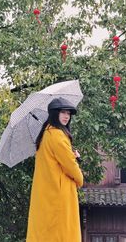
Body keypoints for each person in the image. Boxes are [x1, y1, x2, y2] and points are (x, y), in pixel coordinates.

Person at [26, 97, 84, 242]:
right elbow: (71, 169)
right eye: (63, 112)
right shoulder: (57, 135)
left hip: (48, 192)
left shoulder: (46, 133)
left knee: (48, 232)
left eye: (69, 113)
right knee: (62, 234)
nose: (66, 116)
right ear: (54, 114)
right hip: (59, 193)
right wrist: (78, 168)